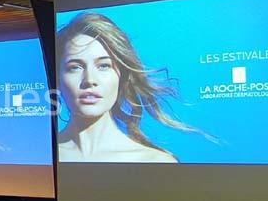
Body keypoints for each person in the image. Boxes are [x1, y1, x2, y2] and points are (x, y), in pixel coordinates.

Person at [56, 12, 201, 163]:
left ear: (122, 77)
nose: (90, 80)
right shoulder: (45, 156)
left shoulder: (155, 161)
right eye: (75, 67)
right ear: (57, 79)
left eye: (104, 66)